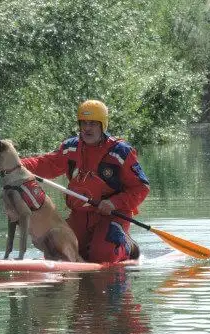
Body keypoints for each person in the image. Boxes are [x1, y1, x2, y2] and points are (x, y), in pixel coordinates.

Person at [20, 99, 150, 263]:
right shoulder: (70, 148)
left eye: (93, 124)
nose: (87, 128)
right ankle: (90, 247)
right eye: (84, 123)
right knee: (57, 250)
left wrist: (114, 202)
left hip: (112, 215)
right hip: (80, 215)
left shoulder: (121, 152)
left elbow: (141, 188)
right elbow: (44, 163)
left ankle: (128, 246)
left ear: (102, 125)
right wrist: (16, 163)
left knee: (102, 256)